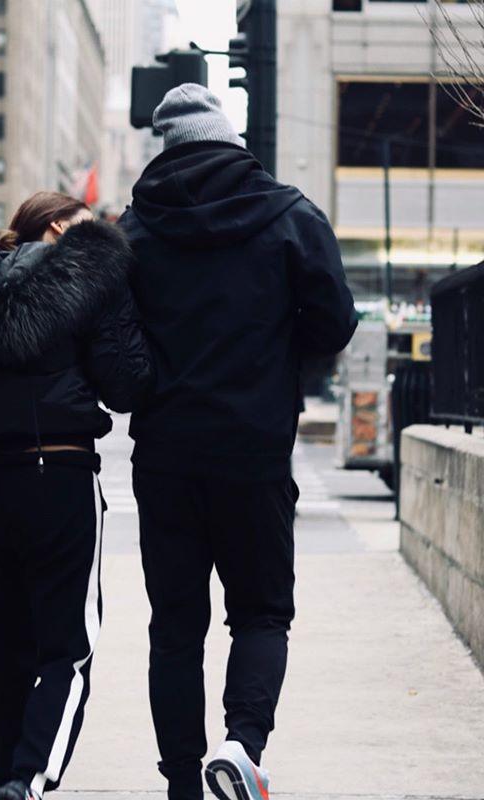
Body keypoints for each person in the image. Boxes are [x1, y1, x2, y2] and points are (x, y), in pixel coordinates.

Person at [120, 84, 357, 800]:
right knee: (260, 612)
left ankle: (181, 784)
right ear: (230, 140)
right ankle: (241, 745)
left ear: (167, 149)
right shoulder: (288, 216)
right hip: (254, 451)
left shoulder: (134, 231)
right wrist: (278, 357)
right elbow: (335, 322)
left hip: (165, 456)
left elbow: (114, 346)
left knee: (175, 628)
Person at [0, 191, 153, 800]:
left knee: (4, 644)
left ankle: (5, 777)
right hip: (57, 474)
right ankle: (28, 780)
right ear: (59, 228)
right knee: (67, 648)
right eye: (84, 225)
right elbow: (126, 383)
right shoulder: (90, 277)